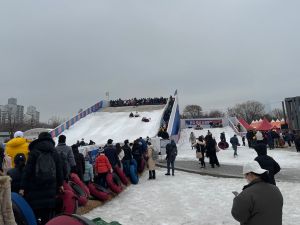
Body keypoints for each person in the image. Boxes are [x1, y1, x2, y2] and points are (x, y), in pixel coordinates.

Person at [20, 132, 63, 225]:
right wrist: (60, 184)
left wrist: (22, 187)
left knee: (34, 216)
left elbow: (27, 171)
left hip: (35, 189)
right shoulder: (54, 152)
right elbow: (59, 171)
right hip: (50, 189)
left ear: (39, 139)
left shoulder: (34, 152)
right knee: (47, 217)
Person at [231, 161, 283, 225]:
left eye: (245, 175)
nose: (245, 178)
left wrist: (238, 200)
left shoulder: (247, 193)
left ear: (250, 174)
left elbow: (239, 216)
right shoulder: (275, 189)